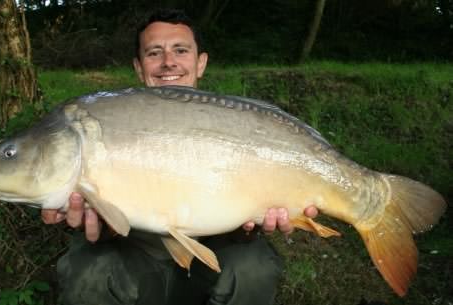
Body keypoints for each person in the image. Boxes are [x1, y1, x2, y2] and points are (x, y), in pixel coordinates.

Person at [41, 9, 318, 305]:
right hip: (136, 263)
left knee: (253, 269)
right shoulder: (109, 118)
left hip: (213, 259)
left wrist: (256, 225)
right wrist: (100, 224)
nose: (168, 62)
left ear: (201, 63)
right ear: (138, 66)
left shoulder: (238, 121)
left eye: (180, 50)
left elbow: (248, 217)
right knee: (87, 271)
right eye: (154, 53)